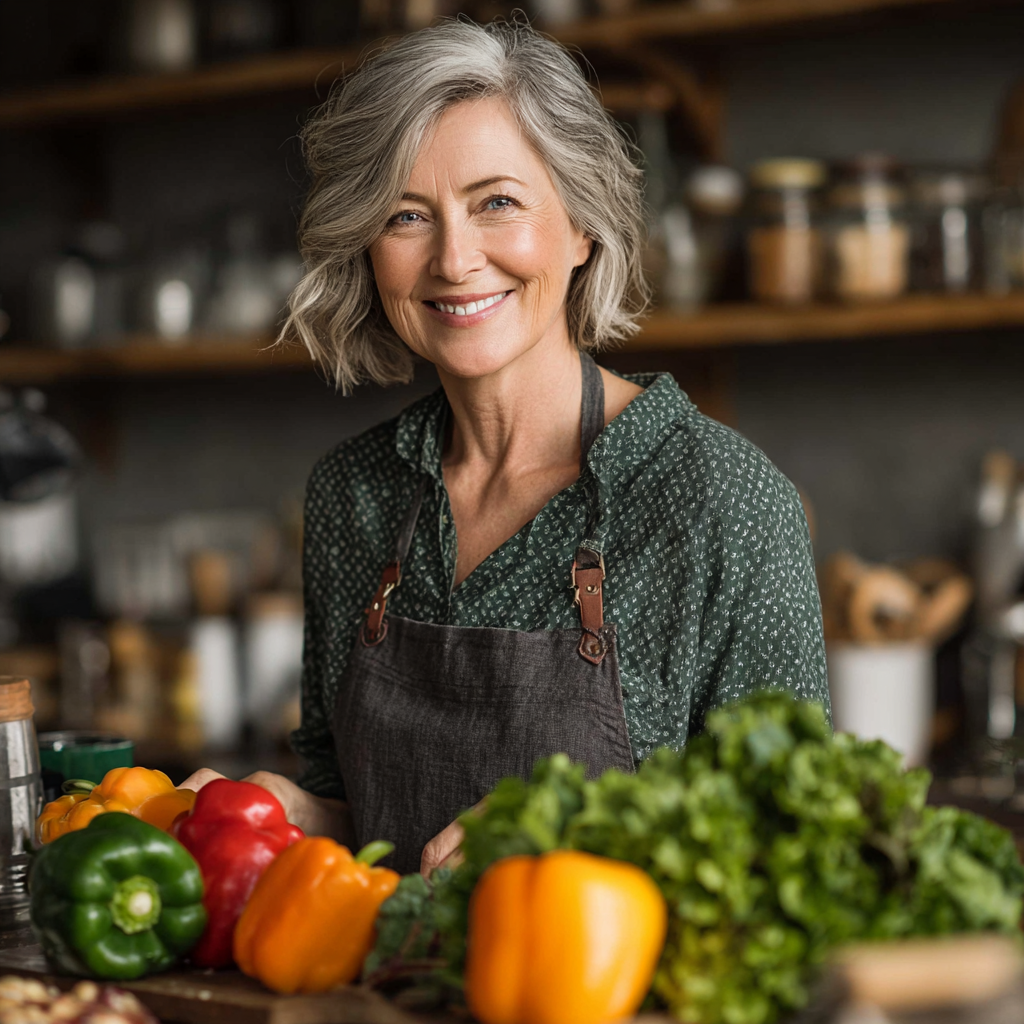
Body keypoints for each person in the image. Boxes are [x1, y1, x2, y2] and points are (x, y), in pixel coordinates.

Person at [182, 18, 829, 875]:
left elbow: (795, 851)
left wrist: (581, 841)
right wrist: (293, 812)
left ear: (582, 230)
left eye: (497, 203)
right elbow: (367, 831)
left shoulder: (725, 501)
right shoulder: (355, 494)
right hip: (386, 1000)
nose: (454, 259)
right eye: (407, 216)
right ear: (370, 251)